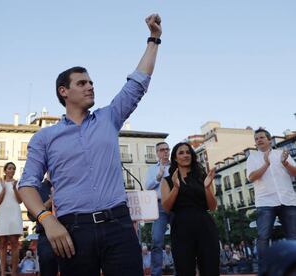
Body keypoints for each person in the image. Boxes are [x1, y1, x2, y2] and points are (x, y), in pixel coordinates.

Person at [19, 13, 162, 276]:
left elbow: (138, 83)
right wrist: (46, 219)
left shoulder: (109, 117)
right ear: (64, 91)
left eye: (91, 82)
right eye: (82, 83)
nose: (90, 87)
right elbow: (27, 185)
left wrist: (154, 39)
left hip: (119, 226)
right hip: (72, 232)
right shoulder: (44, 137)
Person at [161, 142, 219, 276]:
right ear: (175, 158)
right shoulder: (167, 180)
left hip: (205, 225)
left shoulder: (202, 177)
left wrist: (206, 188)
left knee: (210, 267)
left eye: (188, 152)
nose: (185, 155)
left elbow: (212, 207)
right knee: (184, 269)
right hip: (181, 227)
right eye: (181, 153)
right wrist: (176, 187)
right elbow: (166, 207)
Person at [246, 128, 296, 271]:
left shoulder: (282, 154)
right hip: (265, 202)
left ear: (269, 140)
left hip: (288, 200)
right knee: (263, 237)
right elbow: (251, 177)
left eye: (261, 137)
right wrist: (266, 164)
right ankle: (264, 269)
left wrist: (286, 163)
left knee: (293, 236)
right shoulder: (252, 157)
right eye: (256, 139)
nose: (259, 140)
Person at [0, 162, 23, 276]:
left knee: (15, 243)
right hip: (3, 215)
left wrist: (14, 188)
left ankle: (14, 273)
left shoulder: (18, 183)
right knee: (2, 244)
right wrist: (4, 189)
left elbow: (20, 201)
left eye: (13, 169)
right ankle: (3, 273)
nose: (12, 170)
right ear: (5, 170)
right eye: (9, 168)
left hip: (14, 214)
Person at [145, 142, 171, 276]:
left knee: (180, 240)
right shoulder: (152, 169)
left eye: (167, 149)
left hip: (176, 206)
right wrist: (159, 176)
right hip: (159, 207)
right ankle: (156, 274)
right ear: (157, 153)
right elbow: (147, 187)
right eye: (162, 150)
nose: (165, 152)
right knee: (156, 240)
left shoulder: (176, 167)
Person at [27, 175, 59, 276]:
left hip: (71, 232)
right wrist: (50, 202)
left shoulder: (68, 185)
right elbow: (31, 216)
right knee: (47, 270)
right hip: (46, 235)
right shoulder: (38, 188)